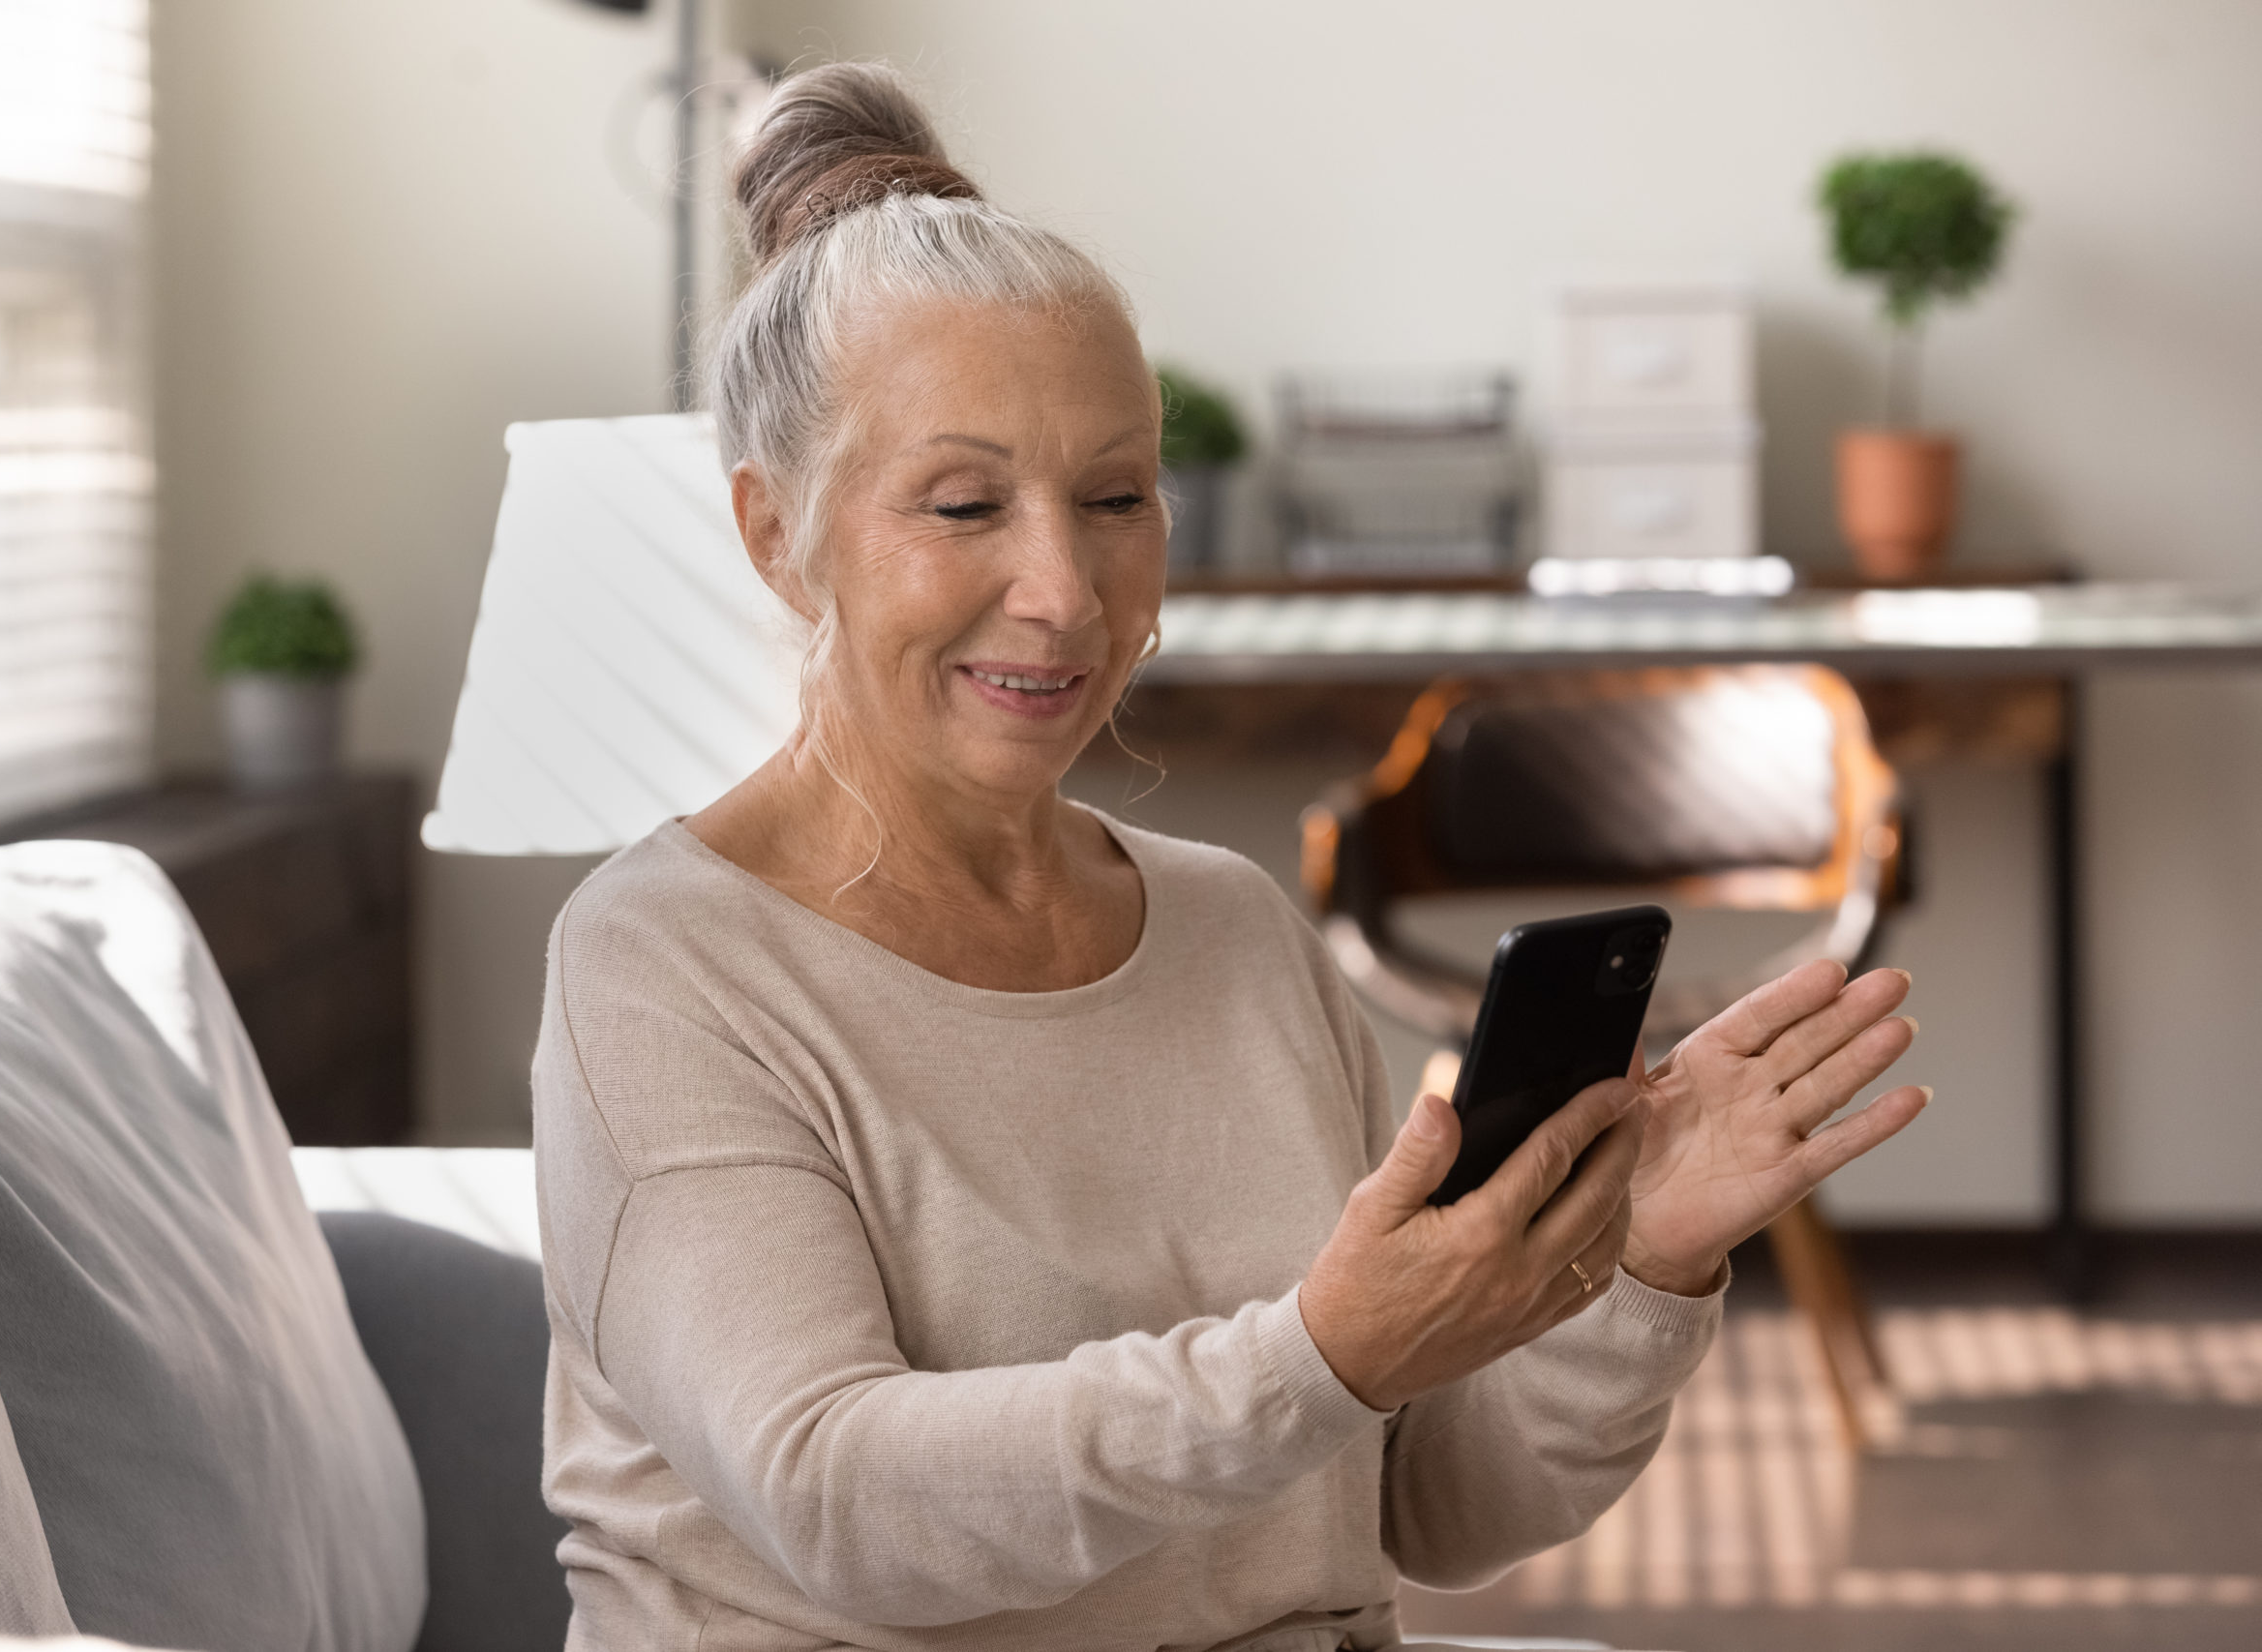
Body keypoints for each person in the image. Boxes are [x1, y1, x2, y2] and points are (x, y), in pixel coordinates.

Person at [532, 61, 1928, 1652]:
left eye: (1116, 495)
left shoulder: (1233, 927)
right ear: (776, 532)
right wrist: (1320, 1353)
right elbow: (842, 1502)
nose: (1064, 588)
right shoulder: (664, 966)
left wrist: (1647, 1272)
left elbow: (1429, 1509)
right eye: (964, 504)